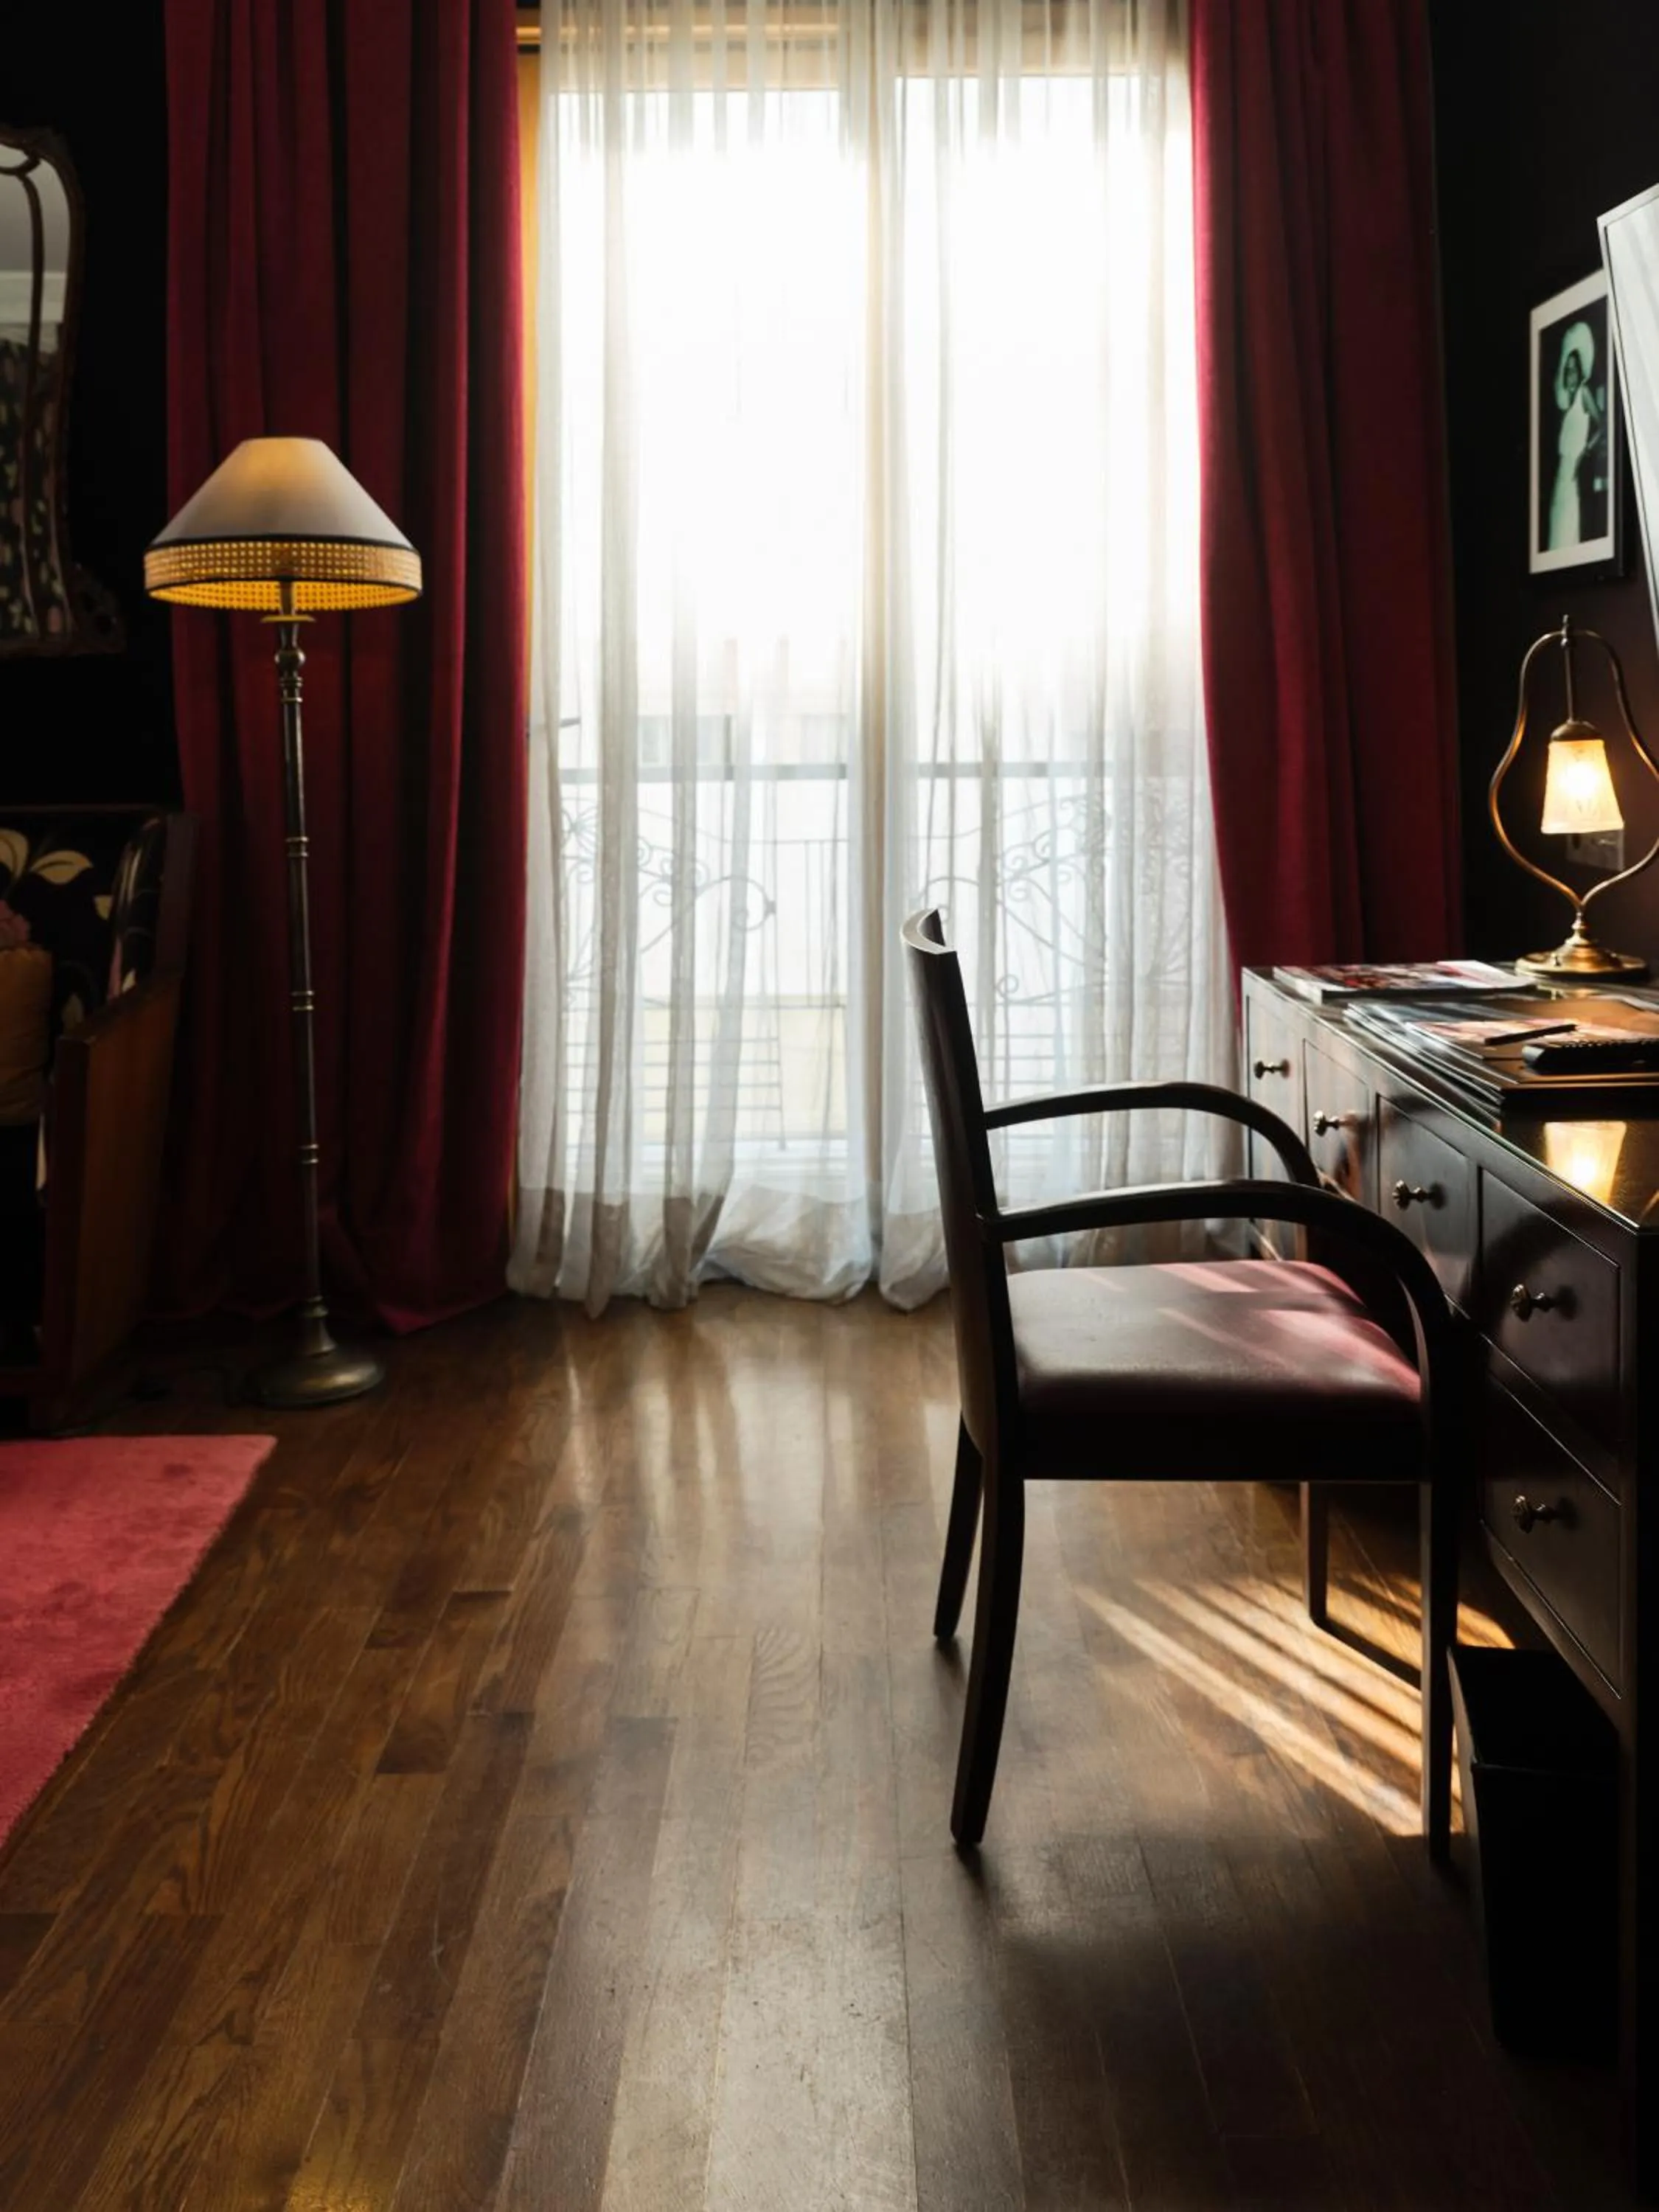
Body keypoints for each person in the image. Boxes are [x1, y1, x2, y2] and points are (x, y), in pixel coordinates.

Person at [1547, 319, 1605, 551]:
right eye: (1567, 369)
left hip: (1573, 474)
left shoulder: (1584, 393)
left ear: (1580, 370)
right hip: (1560, 475)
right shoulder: (1565, 403)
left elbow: (1602, 424)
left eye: (1574, 368)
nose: (1570, 373)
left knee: (1568, 529)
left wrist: (1587, 450)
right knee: (1556, 529)